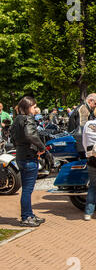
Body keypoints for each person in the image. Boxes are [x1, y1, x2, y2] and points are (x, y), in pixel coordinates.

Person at [10, 96, 46, 227]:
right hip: (29, 156)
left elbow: (12, 136)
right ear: (28, 107)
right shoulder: (28, 119)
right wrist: (42, 148)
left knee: (27, 188)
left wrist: (19, 146)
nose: (36, 109)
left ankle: (29, 214)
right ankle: (26, 217)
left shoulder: (17, 119)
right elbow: (30, 134)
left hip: (20, 155)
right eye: (34, 106)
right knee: (27, 189)